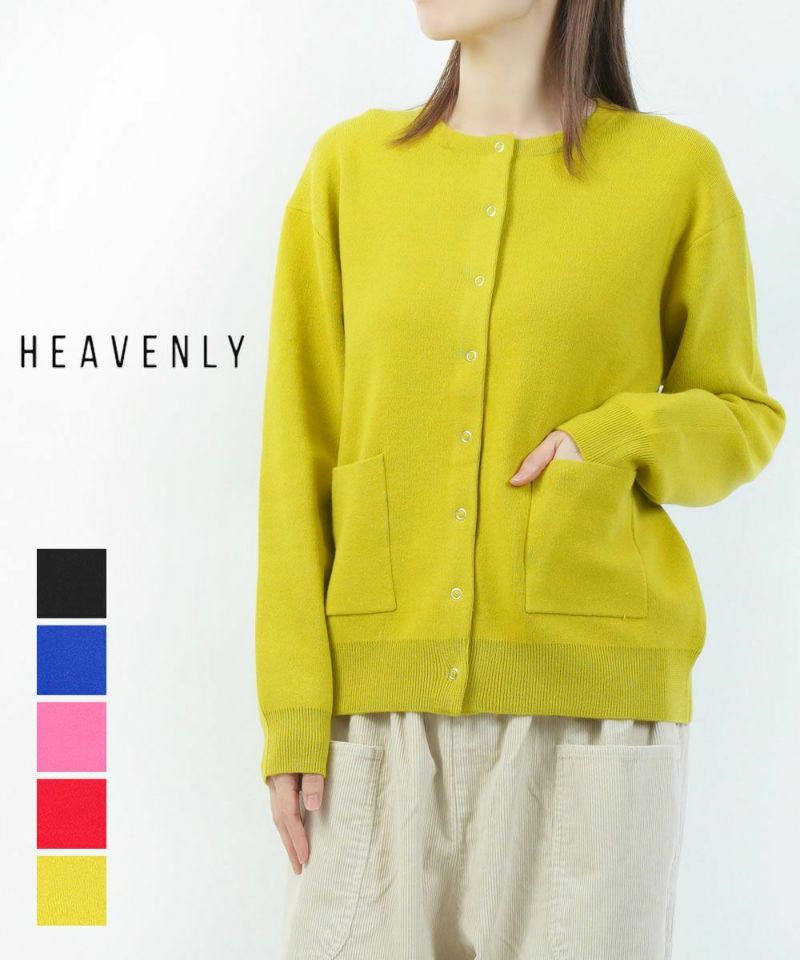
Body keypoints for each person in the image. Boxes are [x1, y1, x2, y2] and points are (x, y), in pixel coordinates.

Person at [254, 1, 787, 956]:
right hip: (373, 726)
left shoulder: (675, 175)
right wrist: (294, 712)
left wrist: (618, 435)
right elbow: (297, 453)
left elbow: (742, 418)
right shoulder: (348, 170)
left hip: (597, 735)